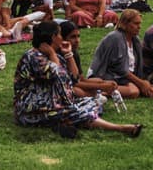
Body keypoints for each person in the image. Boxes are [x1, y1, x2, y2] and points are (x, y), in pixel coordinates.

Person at [13, 20, 142, 138]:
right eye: (59, 35)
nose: (61, 38)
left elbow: (73, 78)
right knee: (80, 111)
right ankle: (120, 128)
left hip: (54, 103)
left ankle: (66, 122)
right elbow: (56, 75)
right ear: (53, 37)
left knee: (92, 102)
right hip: (34, 108)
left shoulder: (56, 56)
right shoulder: (33, 57)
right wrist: (53, 54)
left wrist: (69, 54)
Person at [88, 9, 153, 104]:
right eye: (135, 23)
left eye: (140, 23)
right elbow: (119, 69)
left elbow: (133, 68)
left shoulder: (135, 41)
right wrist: (140, 82)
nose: (139, 27)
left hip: (123, 77)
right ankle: (98, 90)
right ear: (125, 23)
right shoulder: (115, 38)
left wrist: (142, 82)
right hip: (107, 75)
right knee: (134, 90)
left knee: (139, 88)